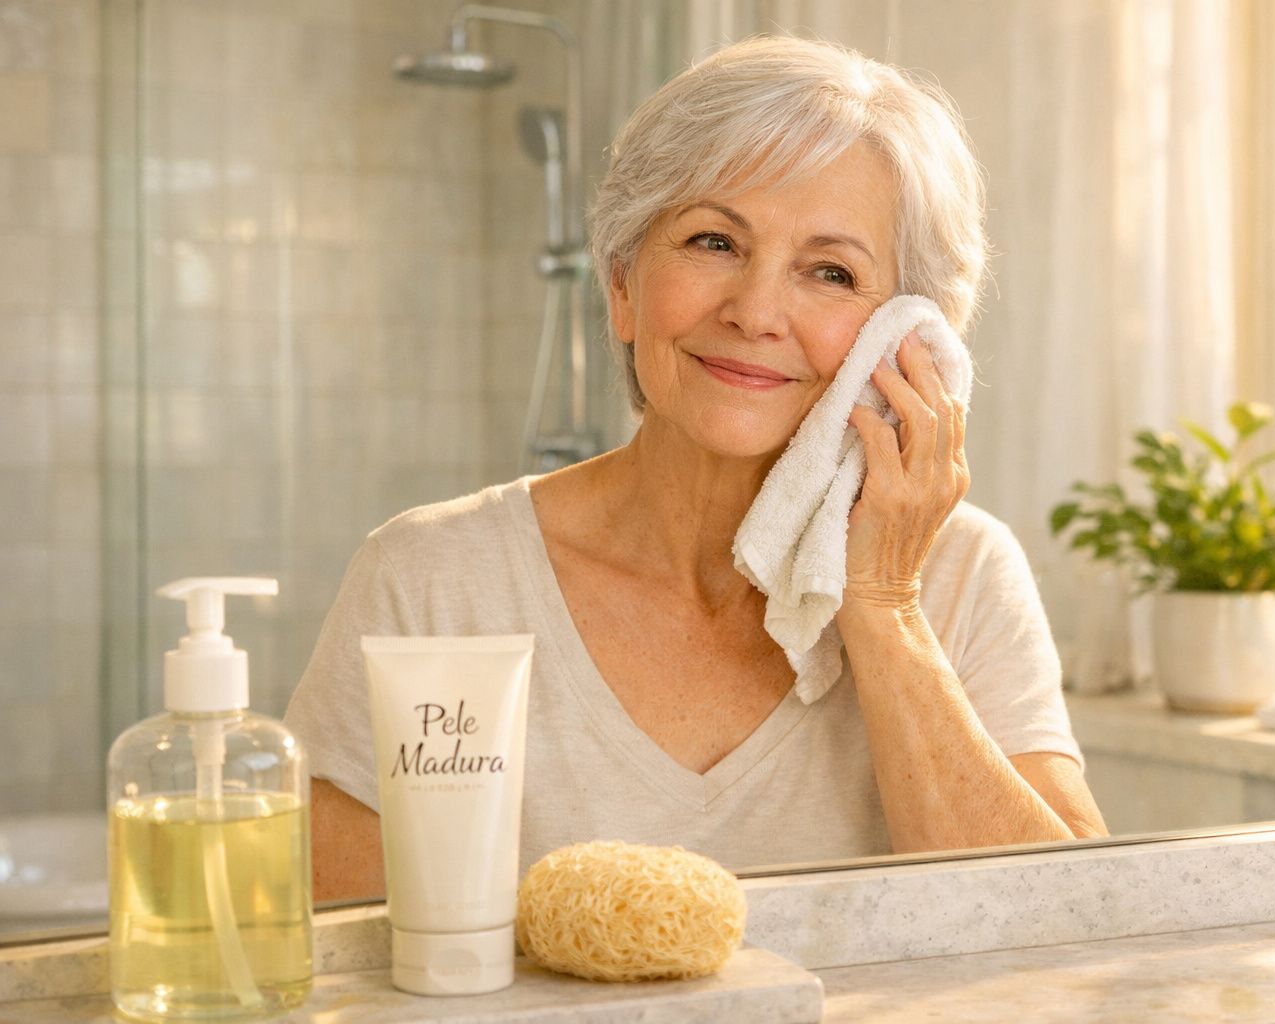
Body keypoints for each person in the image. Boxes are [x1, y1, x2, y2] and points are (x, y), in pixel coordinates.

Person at [285, 34, 1107, 903]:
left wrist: (882, 607)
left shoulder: (963, 575)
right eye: (714, 242)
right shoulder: (434, 581)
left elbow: (1068, 927)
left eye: (830, 272)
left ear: (906, 338)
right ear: (623, 287)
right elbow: (340, 964)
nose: (756, 312)